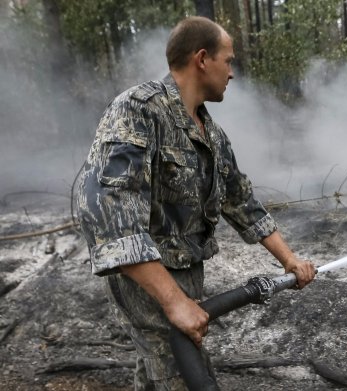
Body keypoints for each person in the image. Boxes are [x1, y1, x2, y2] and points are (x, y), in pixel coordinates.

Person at [75, 16, 316, 390]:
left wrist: (289, 260)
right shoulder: (138, 110)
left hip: (187, 274)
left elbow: (241, 200)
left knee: (162, 370)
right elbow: (108, 214)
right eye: (229, 60)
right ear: (202, 59)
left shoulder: (212, 134)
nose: (233, 72)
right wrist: (173, 301)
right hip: (149, 279)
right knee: (182, 373)